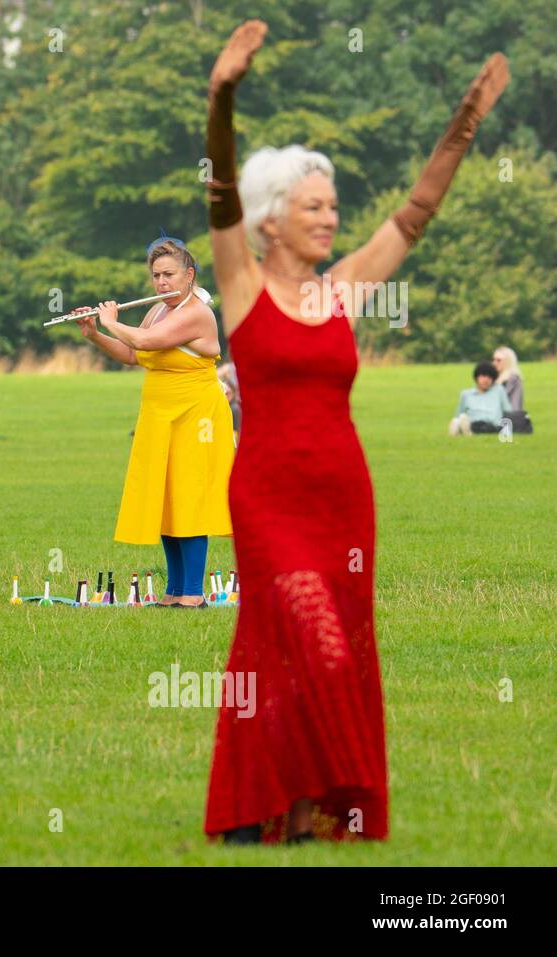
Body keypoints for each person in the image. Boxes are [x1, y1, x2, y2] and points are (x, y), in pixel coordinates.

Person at [201, 20, 507, 843]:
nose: (330, 218)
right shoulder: (240, 283)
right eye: (313, 207)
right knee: (302, 636)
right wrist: (222, 97)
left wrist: (465, 124)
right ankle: (265, 800)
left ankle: (295, 810)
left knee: (332, 651)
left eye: (334, 206)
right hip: (267, 494)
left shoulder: (345, 290)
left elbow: (416, 212)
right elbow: (220, 193)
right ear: (272, 220)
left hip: (343, 496)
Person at [73, 235, 234, 608]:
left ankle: (193, 593)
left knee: (189, 500)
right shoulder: (159, 309)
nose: (161, 282)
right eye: (156, 275)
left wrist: (111, 320)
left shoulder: (196, 312)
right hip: (160, 414)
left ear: (189, 275)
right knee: (165, 499)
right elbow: (133, 354)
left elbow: (146, 341)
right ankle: (173, 591)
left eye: (169, 274)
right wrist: (95, 334)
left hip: (196, 416)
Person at [449, 362, 512, 435]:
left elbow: (508, 411)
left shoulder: (499, 391)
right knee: (461, 419)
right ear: (476, 377)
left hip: (493, 425)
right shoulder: (466, 394)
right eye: (483, 376)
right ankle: (463, 430)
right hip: (474, 423)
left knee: (488, 428)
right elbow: (458, 414)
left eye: (489, 377)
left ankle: (466, 433)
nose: (486, 380)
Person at [492, 346, 525, 412]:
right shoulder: (499, 377)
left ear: (507, 361)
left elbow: (498, 398)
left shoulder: (512, 378)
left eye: (498, 360)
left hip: (510, 417)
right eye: (494, 360)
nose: (494, 363)